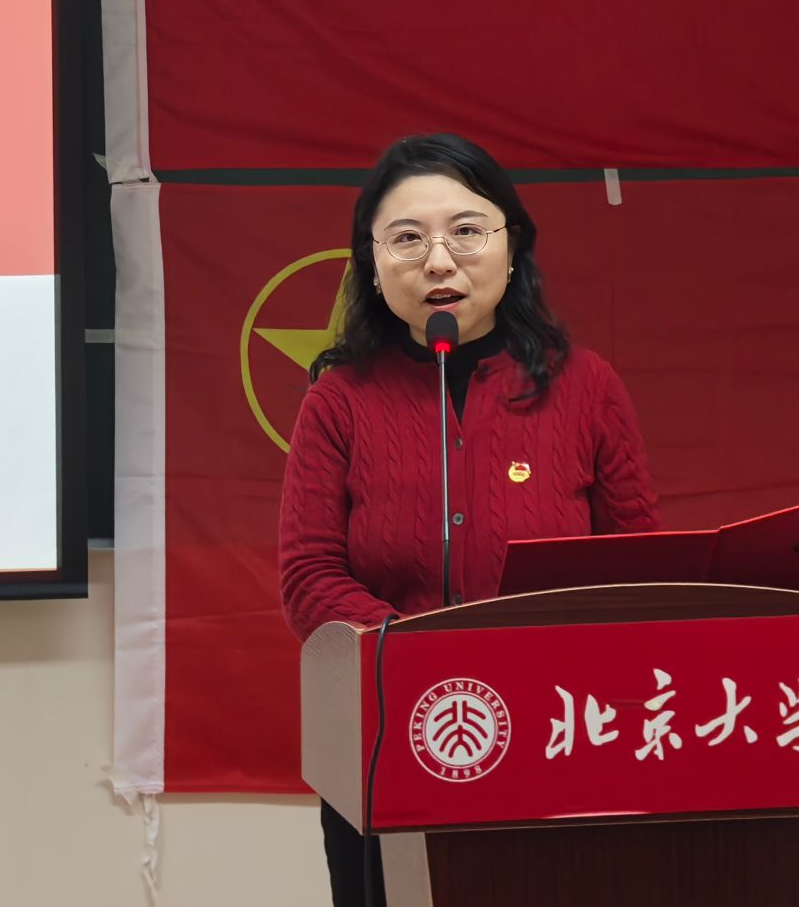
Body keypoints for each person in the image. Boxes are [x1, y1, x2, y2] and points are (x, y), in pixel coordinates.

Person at [278, 133, 662, 907]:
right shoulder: (339, 401)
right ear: (373, 263)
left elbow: (640, 568)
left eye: (465, 231)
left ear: (511, 247)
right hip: (391, 737)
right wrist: (422, 660)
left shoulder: (585, 388)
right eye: (407, 239)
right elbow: (310, 579)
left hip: (560, 736)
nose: (439, 262)